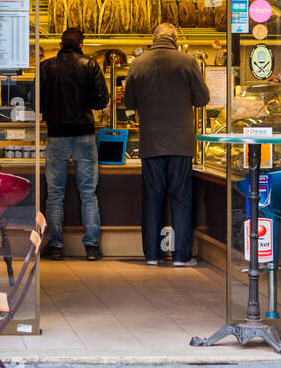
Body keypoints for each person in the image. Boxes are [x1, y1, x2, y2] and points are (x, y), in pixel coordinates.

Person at [122, 22, 210, 266]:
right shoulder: (187, 61)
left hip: (151, 143)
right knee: (181, 199)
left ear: (154, 38)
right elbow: (203, 99)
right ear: (174, 37)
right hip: (181, 143)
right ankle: (181, 257)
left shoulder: (138, 64)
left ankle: (152, 255)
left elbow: (128, 101)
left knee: (152, 199)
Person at [37, 27, 109, 261]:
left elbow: (36, 102)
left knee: (55, 194)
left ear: (60, 45)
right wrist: (83, 101)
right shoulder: (89, 65)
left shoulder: (46, 67)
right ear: (81, 44)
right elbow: (101, 101)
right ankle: (91, 248)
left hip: (56, 135)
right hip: (84, 135)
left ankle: (55, 246)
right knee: (89, 193)